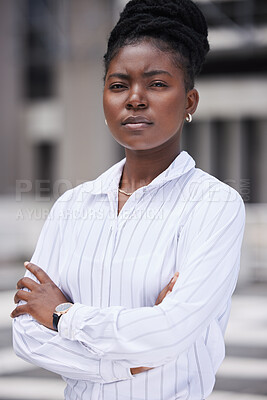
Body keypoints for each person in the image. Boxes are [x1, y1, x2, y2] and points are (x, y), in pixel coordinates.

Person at [11, 0, 245, 399]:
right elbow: (26, 334)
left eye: (156, 84)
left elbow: (171, 332)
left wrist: (63, 314)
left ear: (189, 102)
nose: (135, 98)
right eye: (119, 85)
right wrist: (131, 358)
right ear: (104, 99)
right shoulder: (73, 206)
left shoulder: (214, 205)